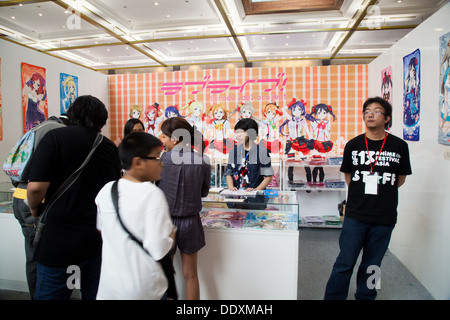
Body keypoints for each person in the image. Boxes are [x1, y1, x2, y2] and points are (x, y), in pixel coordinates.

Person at [26, 95, 121, 300]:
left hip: (59, 241)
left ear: (71, 115)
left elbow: (35, 188)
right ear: (102, 120)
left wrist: (35, 210)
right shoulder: (109, 147)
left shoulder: (55, 138)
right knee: (94, 295)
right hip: (96, 241)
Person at [324, 97, 412, 300]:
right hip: (356, 215)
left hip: (384, 217)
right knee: (344, 262)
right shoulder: (353, 145)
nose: (370, 114)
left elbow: (399, 179)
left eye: (377, 111)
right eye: (367, 111)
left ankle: (366, 296)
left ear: (387, 117)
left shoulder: (399, 146)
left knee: (373, 265)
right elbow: (349, 177)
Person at [95, 132, 176, 300]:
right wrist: (172, 234)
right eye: (156, 157)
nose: (161, 163)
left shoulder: (107, 190)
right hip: (144, 288)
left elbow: (102, 231)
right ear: (138, 162)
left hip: (110, 285)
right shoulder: (152, 194)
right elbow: (158, 249)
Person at [11, 115, 69, 299]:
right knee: (47, 258)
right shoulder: (56, 132)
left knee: (32, 256)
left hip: (19, 197)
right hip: (35, 200)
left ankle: (36, 295)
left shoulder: (34, 131)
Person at [157, 117, 210, 300]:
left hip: (167, 222)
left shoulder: (162, 160)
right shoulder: (202, 160)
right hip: (191, 222)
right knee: (191, 275)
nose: (161, 139)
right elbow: (204, 192)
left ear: (175, 139)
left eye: (163, 136)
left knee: (166, 275)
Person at [225, 118, 273, 191]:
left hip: (255, 198)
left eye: (241, 132)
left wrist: (256, 190)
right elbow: (229, 173)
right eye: (237, 132)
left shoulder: (262, 152)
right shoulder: (233, 152)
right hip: (236, 197)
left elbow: (268, 177)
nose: (238, 135)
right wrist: (231, 187)